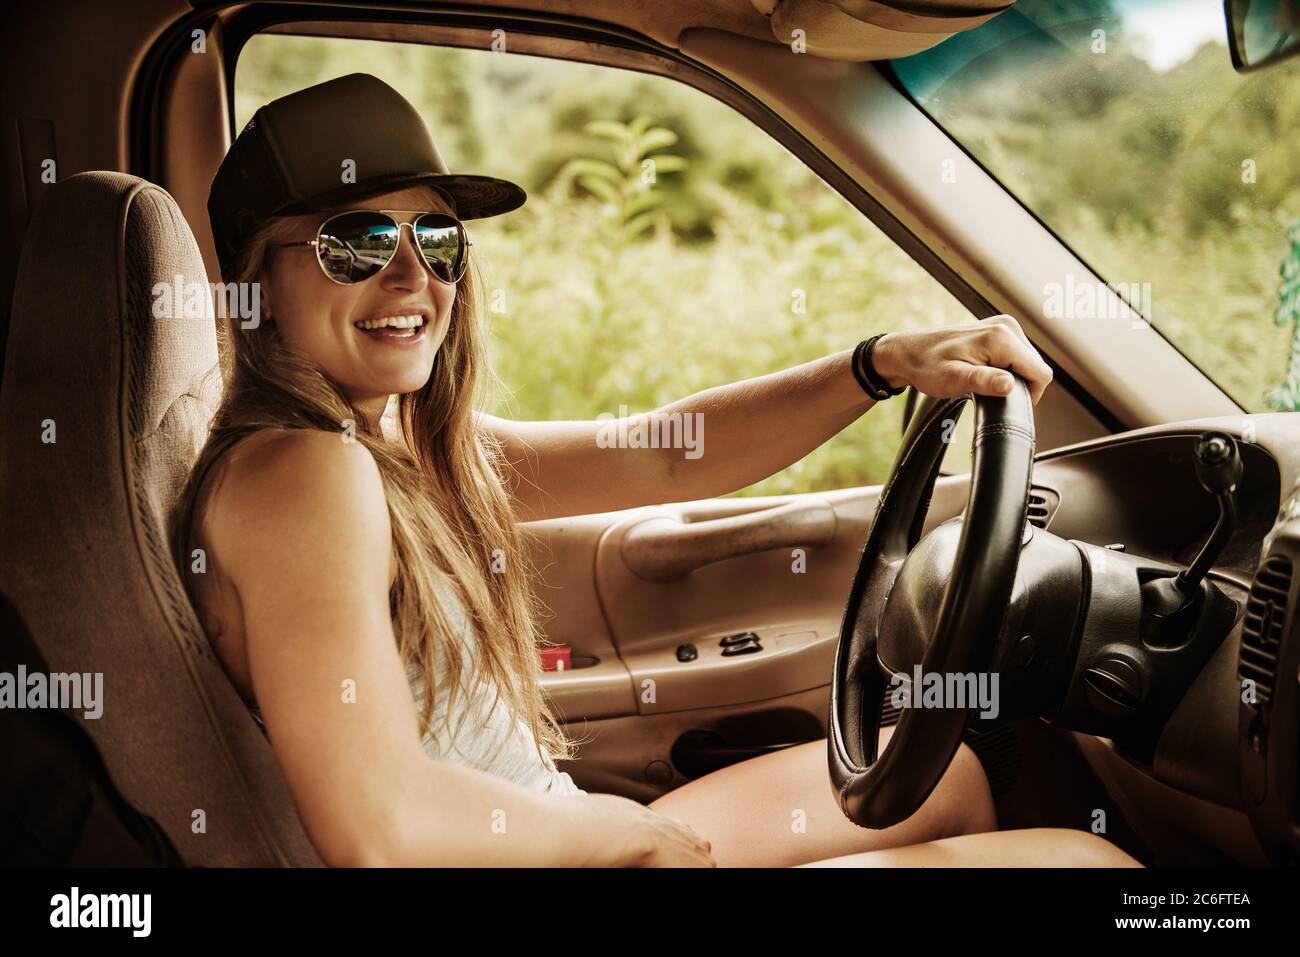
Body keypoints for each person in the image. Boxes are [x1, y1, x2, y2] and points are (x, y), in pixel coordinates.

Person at [173, 73, 1139, 868]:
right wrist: (616, 832)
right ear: (254, 283)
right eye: (358, 241)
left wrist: (878, 364)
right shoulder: (306, 474)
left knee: (947, 774)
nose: (412, 277)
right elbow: (378, 828)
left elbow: (673, 451)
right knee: (1091, 867)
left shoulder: (392, 453)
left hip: (545, 828)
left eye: (436, 239)